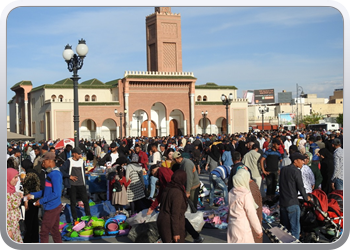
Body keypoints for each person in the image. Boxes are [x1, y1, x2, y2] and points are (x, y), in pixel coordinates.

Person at [26, 152, 63, 243]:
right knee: (54, 231)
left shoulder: (55, 175)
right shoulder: (50, 174)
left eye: (44, 162)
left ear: (50, 161)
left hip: (52, 207)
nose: (42, 164)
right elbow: (46, 191)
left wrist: (41, 201)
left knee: (43, 232)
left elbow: (56, 194)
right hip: (52, 206)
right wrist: (32, 195)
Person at [279, 152, 311, 240]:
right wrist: (306, 197)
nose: (303, 162)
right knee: (295, 229)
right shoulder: (296, 171)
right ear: (295, 161)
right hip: (292, 203)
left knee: (285, 229)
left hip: (283, 203)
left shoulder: (283, 170)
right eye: (301, 160)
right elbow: (300, 186)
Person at [227, 168, 263, 243]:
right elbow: (251, 213)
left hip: (232, 226)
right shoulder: (245, 194)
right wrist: (258, 230)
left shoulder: (231, 192)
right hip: (242, 227)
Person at [60, 147, 91, 224]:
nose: (80, 156)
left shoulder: (81, 161)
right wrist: (69, 176)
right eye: (79, 154)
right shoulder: (69, 161)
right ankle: (74, 219)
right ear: (74, 154)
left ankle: (88, 217)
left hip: (81, 184)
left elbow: (83, 171)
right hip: (72, 185)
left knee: (85, 201)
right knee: (73, 202)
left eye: (81, 154)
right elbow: (61, 170)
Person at [156, 170, 188, 243]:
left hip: (162, 220)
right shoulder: (177, 192)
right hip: (169, 224)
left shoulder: (167, 188)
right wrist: (176, 233)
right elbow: (175, 214)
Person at [21, 159, 41, 243]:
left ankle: (28, 239)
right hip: (36, 199)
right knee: (34, 221)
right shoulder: (35, 173)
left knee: (29, 221)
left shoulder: (29, 175)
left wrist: (25, 202)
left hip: (30, 200)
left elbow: (26, 190)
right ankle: (35, 238)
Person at [7, 168, 23, 243]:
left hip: (15, 225)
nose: (17, 180)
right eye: (15, 177)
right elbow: (6, 213)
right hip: (10, 227)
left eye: (18, 177)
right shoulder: (6, 193)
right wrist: (8, 230)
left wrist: (18, 195)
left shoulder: (12, 189)